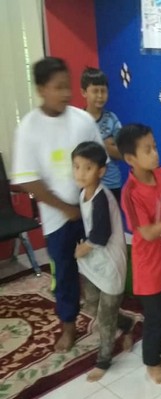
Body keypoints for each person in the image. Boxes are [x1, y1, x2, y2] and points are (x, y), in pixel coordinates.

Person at [11, 57, 105, 353]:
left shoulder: (83, 121)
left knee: (99, 263)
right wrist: (65, 207)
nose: (66, 93)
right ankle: (68, 326)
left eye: (68, 86)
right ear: (41, 89)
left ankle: (109, 316)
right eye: (58, 87)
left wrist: (88, 202)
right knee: (64, 273)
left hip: (89, 210)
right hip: (57, 218)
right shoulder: (29, 128)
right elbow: (28, 179)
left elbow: (99, 161)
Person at [117, 123, 161, 384]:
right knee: (155, 317)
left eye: (155, 147)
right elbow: (146, 233)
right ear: (130, 159)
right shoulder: (131, 192)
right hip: (149, 267)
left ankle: (159, 354)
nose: (155, 153)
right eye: (148, 150)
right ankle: (151, 363)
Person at [71, 141, 134, 382]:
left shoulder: (101, 199)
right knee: (92, 304)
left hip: (109, 263)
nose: (80, 173)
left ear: (101, 171)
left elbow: (100, 235)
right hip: (94, 260)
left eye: (87, 168)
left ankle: (104, 360)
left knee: (105, 318)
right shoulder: (83, 193)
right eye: (76, 167)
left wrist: (82, 249)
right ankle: (127, 323)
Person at [80, 67, 123, 201]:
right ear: (84, 92)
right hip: (87, 184)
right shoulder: (78, 120)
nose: (100, 95)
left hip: (112, 184)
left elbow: (123, 153)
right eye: (95, 91)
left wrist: (106, 147)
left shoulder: (112, 119)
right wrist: (105, 145)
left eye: (103, 91)